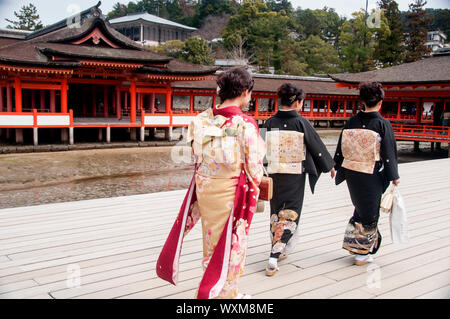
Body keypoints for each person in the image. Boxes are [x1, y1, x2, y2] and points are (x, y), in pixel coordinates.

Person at [156, 67, 266, 299]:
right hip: (229, 193)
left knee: (212, 240)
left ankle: (217, 285)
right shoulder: (244, 124)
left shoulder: (201, 120)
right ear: (245, 92)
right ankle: (223, 294)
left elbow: (196, 156)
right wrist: (255, 187)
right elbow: (254, 167)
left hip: (206, 188)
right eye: (250, 93)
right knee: (233, 243)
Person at [263, 83, 335, 276]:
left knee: (277, 211)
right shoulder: (301, 123)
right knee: (291, 212)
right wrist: (330, 166)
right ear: (297, 103)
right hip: (294, 176)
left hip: (274, 174)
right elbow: (316, 147)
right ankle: (273, 257)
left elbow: (262, 151)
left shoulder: (270, 122)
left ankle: (280, 247)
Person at [333, 82, 400, 266]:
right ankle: (362, 253)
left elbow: (341, 147)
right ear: (380, 102)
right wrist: (394, 175)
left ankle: (357, 246)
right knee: (370, 211)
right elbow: (389, 152)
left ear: (362, 101)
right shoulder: (382, 123)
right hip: (371, 173)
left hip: (352, 172)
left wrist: (335, 165)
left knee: (360, 207)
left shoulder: (352, 121)